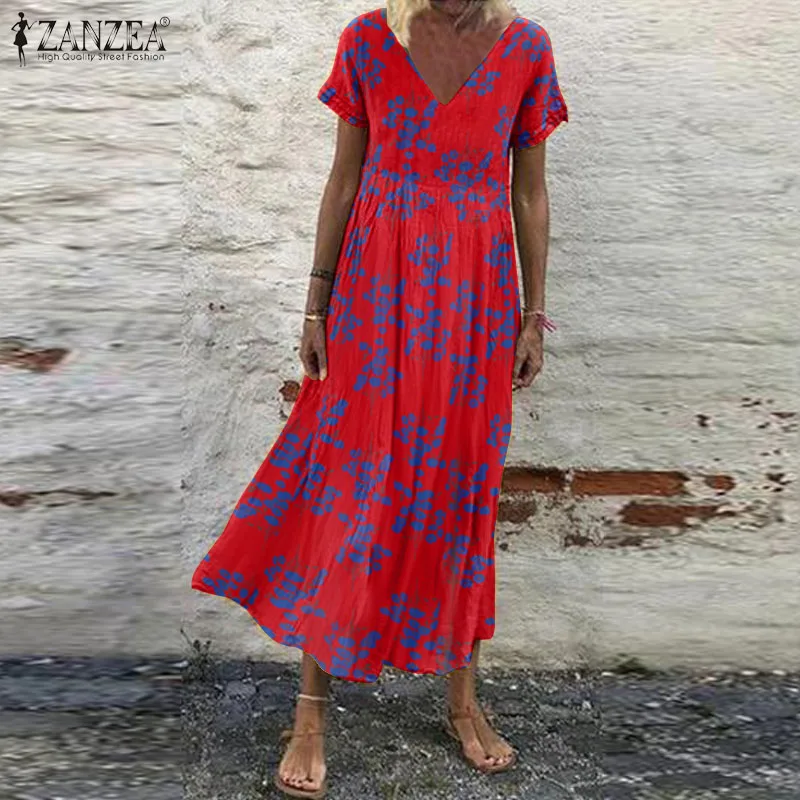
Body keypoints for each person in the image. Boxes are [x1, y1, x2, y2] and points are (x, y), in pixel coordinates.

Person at [190, 1, 568, 796]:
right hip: (376, 289)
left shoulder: (527, 48)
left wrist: (534, 315)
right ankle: (310, 713)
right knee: (347, 483)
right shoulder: (367, 40)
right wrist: (315, 306)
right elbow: (344, 178)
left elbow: (529, 193)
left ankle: (462, 701)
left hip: (475, 297)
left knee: (462, 487)